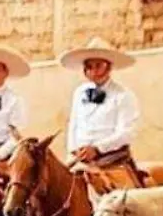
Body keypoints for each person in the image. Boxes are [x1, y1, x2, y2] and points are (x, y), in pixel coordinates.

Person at [58, 37, 144, 188]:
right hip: (81, 158)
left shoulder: (123, 95)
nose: (93, 71)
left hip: (111, 157)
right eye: (89, 66)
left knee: (120, 200)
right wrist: (73, 149)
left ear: (108, 67)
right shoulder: (79, 92)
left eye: (98, 66)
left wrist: (98, 148)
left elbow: (127, 132)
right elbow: (74, 124)